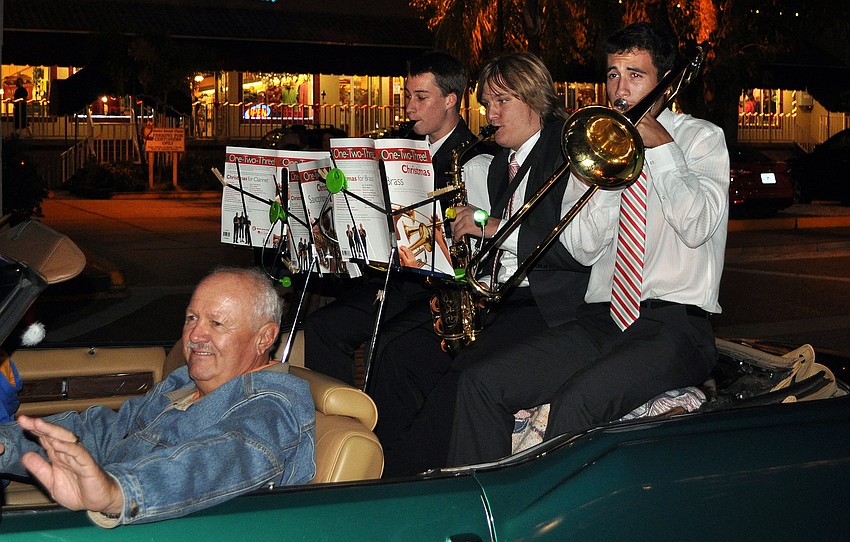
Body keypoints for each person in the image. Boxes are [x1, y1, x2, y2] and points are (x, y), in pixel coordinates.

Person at [448, 22, 729, 466]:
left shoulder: (701, 140)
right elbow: (581, 250)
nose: (620, 87)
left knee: (579, 399)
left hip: (674, 323)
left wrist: (659, 151)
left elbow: (697, 226)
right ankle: (476, 512)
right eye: (613, 74)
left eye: (635, 74)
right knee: (481, 382)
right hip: (603, 319)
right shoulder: (599, 146)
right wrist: (603, 181)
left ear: (665, 83)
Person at [370, 52, 591, 476]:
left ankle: (409, 482)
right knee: (400, 360)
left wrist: (484, 224)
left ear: (535, 99)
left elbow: (558, 239)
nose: (489, 114)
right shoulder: (499, 164)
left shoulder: (563, 151)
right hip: (497, 299)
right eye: (487, 103)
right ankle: (376, 463)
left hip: (545, 305)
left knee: (462, 382)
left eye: (501, 102)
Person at [0, 267, 316, 527]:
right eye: (192, 318)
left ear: (265, 338)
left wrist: (115, 492)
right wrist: (6, 445)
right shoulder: (184, 384)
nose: (195, 336)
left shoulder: (273, 403)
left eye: (216, 323)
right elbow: (109, 431)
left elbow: (213, 463)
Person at [303, 51, 493, 386]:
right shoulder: (402, 148)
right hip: (396, 279)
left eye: (421, 97)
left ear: (450, 100)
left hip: (437, 288)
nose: (409, 107)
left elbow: (478, 236)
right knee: (321, 327)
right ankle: (341, 424)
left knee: (388, 345)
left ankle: (381, 428)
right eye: (407, 97)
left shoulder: (474, 155)